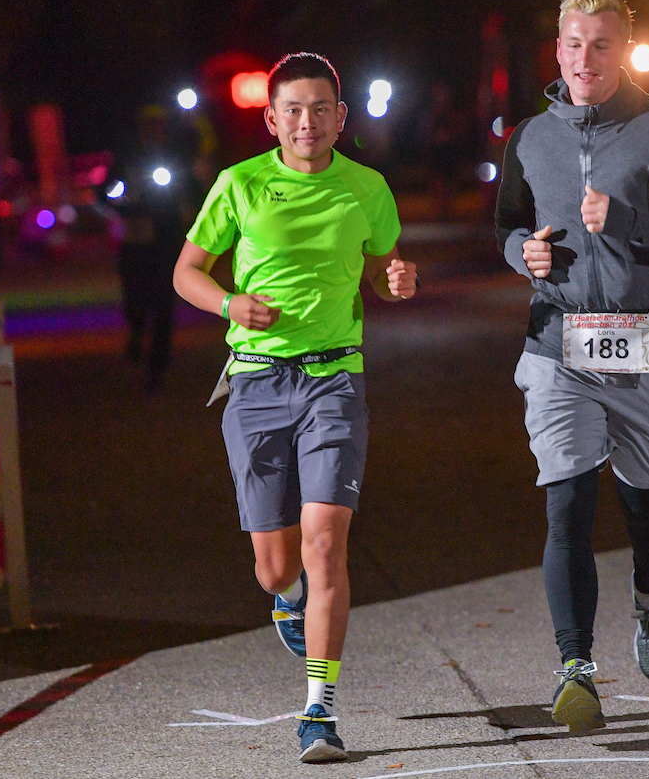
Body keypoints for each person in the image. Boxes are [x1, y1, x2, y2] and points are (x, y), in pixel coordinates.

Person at [494, 0, 649, 732]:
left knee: (642, 502)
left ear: (620, 49)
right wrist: (521, 254)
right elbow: (504, 226)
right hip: (557, 346)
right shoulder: (529, 137)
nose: (585, 59)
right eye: (573, 44)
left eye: (601, 44)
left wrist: (630, 220)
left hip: (645, 346)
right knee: (566, 499)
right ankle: (576, 670)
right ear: (558, 50)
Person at [172, 52, 417, 763]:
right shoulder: (239, 185)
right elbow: (186, 271)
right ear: (272, 118)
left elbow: (383, 269)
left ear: (341, 118)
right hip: (253, 384)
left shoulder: (367, 188)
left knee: (325, 544)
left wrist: (399, 278)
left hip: (333, 380)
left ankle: (319, 710)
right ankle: (285, 598)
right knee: (277, 568)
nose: (307, 122)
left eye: (321, 109)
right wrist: (228, 302)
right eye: (293, 110)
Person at [109, 106, 201, 391]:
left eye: (157, 125)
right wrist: (121, 205)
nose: (153, 130)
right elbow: (107, 189)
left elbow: (196, 191)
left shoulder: (174, 157)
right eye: (148, 125)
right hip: (135, 240)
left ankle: (158, 366)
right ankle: (136, 333)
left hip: (165, 242)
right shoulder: (127, 157)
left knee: (163, 304)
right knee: (134, 296)